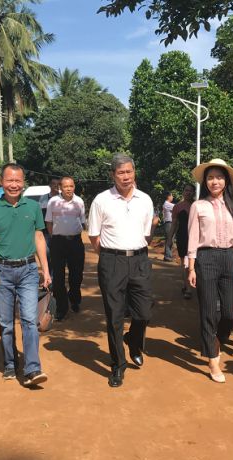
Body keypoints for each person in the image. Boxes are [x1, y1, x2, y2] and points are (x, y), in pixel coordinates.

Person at [0, 164, 52, 387]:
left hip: (28, 270)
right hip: (1, 271)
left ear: (23, 183)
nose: (14, 185)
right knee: (6, 323)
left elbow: (39, 238)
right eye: (9, 180)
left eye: (18, 181)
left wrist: (45, 269)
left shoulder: (32, 206)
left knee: (30, 320)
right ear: (1, 181)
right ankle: (10, 363)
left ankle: (32, 368)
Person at [88, 153, 154, 388]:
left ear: (135, 172)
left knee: (144, 312)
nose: (125, 177)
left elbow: (146, 233)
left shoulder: (145, 200)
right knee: (114, 316)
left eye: (129, 172)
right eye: (120, 173)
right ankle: (118, 366)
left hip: (140, 260)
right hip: (112, 261)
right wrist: (109, 258)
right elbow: (94, 236)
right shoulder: (101, 201)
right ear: (112, 175)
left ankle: (133, 341)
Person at [186, 159, 233, 383]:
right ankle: (212, 359)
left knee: (231, 312)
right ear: (205, 181)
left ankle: (217, 341)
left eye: (219, 177)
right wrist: (191, 267)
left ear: (226, 181)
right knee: (209, 311)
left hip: (230, 259)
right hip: (206, 259)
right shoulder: (198, 206)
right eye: (210, 177)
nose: (215, 181)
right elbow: (193, 237)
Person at [45, 176, 86, 321]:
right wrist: (54, 237)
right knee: (58, 276)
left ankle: (74, 299)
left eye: (71, 186)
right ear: (60, 188)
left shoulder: (79, 202)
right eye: (65, 186)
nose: (69, 189)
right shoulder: (53, 202)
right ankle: (62, 308)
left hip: (75, 242)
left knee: (77, 274)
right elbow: (49, 222)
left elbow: (82, 221)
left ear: (74, 187)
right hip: (58, 242)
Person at [169, 184, 196, 299]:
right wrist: (169, 239)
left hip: (196, 238)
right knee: (184, 263)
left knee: (196, 263)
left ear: (193, 193)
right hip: (182, 236)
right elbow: (174, 223)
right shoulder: (177, 207)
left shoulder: (197, 205)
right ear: (183, 192)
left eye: (190, 191)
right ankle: (187, 287)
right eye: (186, 190)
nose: (188, 193)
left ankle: (192, 284)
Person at [162, 192, 175, 261]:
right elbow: (176, 208)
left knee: (169, 239)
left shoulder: (167, 204)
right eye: (172, 196)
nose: (172, 197)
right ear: (168, 196)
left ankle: (167, 255)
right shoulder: (167, 204)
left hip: (169, 223)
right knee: (169, 239)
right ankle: (168, 256)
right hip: (169, 223)